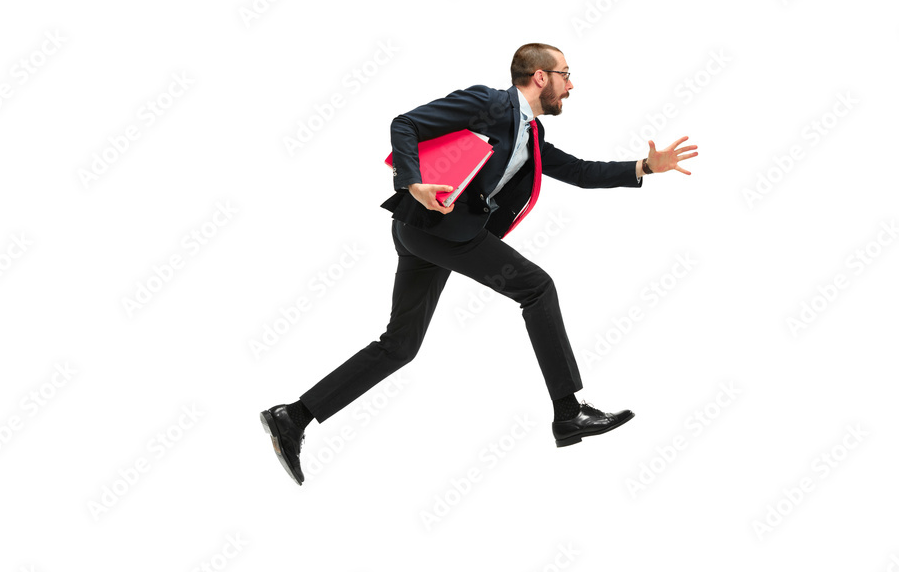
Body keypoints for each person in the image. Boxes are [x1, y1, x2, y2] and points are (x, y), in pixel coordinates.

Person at [261, 42, 697, 485]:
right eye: (565, 74)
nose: (571, 84)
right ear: (540, 77)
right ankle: (568, 412)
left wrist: (645, 166)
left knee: (400, 345)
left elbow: (581, 172)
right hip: (437, 227)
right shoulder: (489, 102)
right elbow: (405, 124)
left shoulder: (533, 135)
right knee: (537, 287)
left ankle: (293, 416)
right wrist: (413, 183)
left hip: (431, 233)